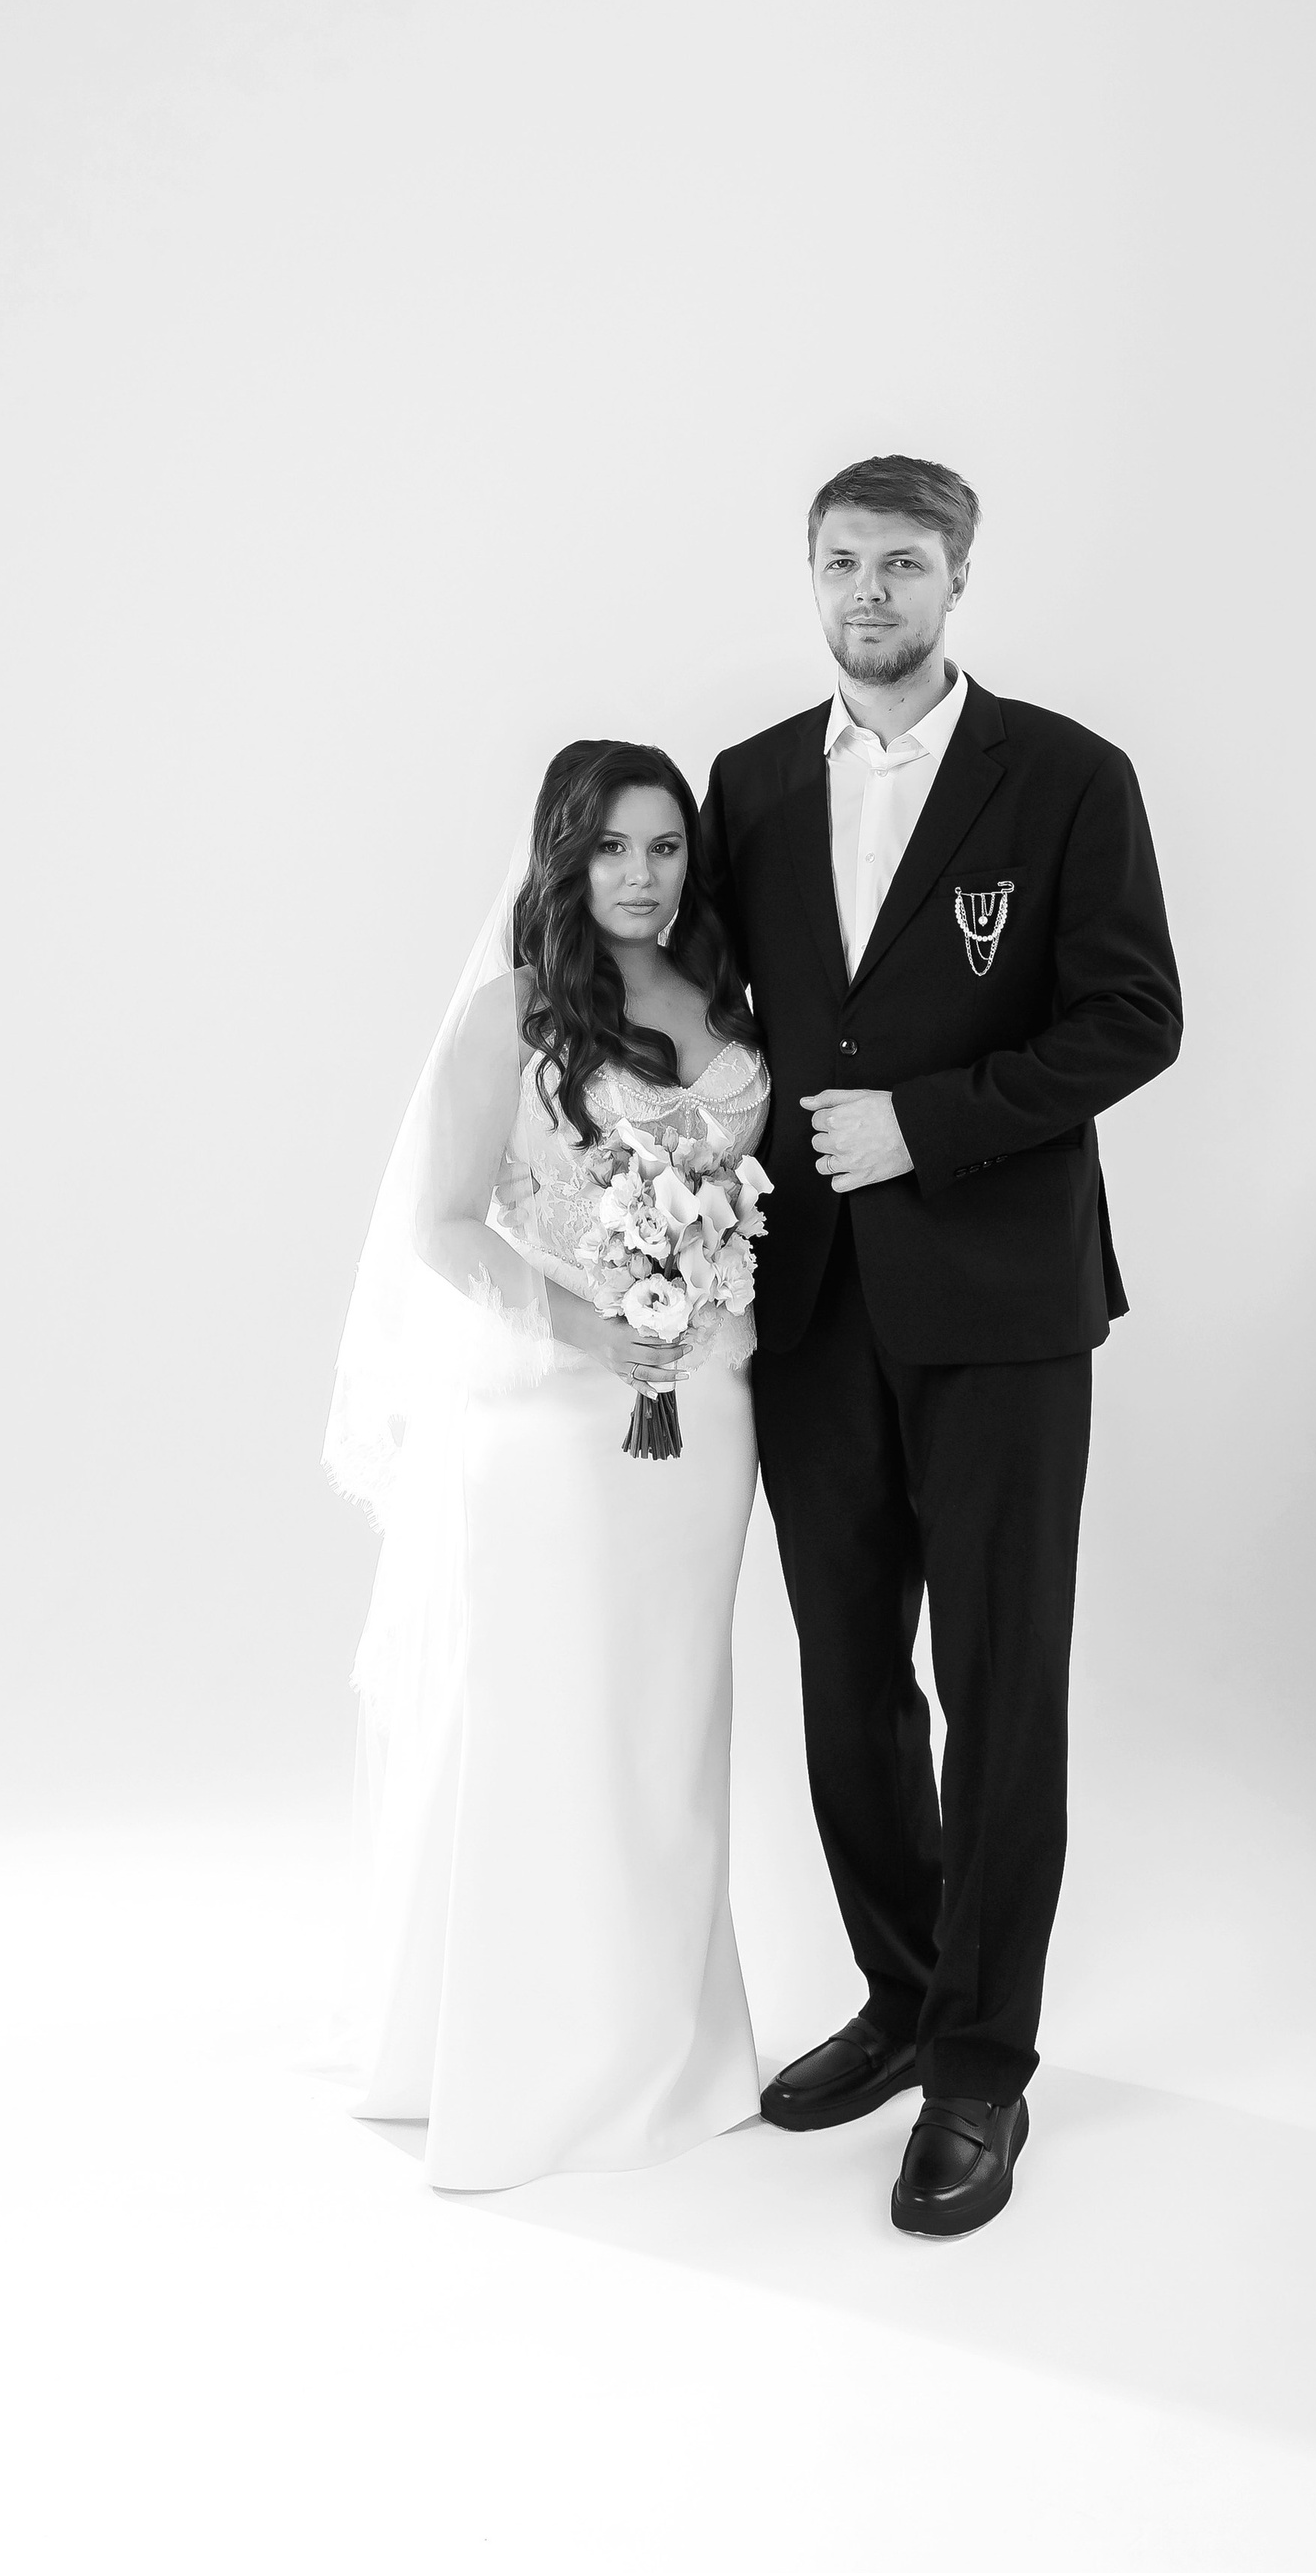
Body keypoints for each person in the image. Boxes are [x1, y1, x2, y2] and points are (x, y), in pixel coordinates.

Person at [700, 455, 1182, 2238]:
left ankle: (983, 2064)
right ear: (810, 575)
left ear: (959, 578)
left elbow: (1136, 1015)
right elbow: (712, 1016)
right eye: (842, 562)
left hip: (1002, 1310)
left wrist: (928, 1122)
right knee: (847, 1683)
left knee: (999, 1684)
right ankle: (901, 1998)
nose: (870, 593)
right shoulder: (750, 784)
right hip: (810, 1310)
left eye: (903, 563)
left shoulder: (1066, 777)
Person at [324, 741, 768, 2188]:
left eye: (666, 846)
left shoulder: (725, 996)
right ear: (565, 860)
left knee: (669, 1725)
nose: (642, 876)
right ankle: (528, 2064)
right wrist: (596, 1327)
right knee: (556, 1720)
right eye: (614, 849)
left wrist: (694, 1303)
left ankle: (667, 2048)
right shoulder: (515, 1010)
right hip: (558, 1424)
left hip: (706, 1419)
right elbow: (442, 1222)